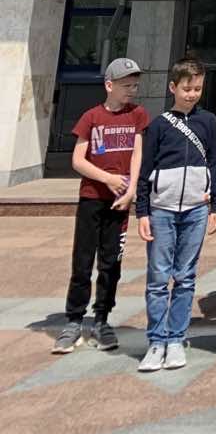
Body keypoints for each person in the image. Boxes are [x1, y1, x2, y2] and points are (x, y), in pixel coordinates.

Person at [53, 56, 148, 355]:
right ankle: (74, 320)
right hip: (92, 198)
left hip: (119, 203)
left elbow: (137, 154)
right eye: (125, 85)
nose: (131, 90)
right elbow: (78, 160)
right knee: (83, 261)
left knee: (111, 263)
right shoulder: (91, 117)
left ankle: (102, 318)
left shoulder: (137, 115)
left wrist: (131, 190)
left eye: (134, 85)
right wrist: (107, 178)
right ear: (109, 85)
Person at [135, 58, 216, 372]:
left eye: (197, 88)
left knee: (185, 276)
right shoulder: (159, 125)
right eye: (187, 88)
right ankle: (156, 340)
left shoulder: (208, 121)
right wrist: (142, 211)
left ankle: (176, 338)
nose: (192, 94)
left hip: (196, 208)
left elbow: (215, 163)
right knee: (158, 277)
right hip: (162, 208)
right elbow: (145, 169)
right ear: (173, 87)